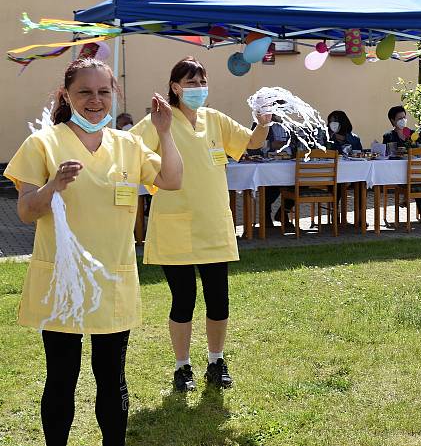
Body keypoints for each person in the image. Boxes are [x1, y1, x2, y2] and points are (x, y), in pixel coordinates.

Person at [3, 58, 182, 445]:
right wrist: (53, 187)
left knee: (111, 377)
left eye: (103, 91)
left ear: (114, 95)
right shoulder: (43, 143)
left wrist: (165, 133)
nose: (95, 100)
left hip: (112, 279)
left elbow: (172, 179)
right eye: (84, 92)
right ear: (67, 95)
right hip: (61, 281)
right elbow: (24, 210)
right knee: (62, 378)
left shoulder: (128, 145)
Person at [130, 56, 268, 392]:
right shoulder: (159, 120)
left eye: (202, 82)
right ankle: (182, 366)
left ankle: (216, 360)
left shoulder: (215, 120)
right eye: (191, 83)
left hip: (212, 223)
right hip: (174, 224)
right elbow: (127, 148)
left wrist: (263, 123)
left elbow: (251, 142)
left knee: (219, 298)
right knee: (184, 299)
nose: (198, 89)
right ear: (175, 88)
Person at [382, 105, 421, 224]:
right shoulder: (388, 136)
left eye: (404, 117)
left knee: (415, 177)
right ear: (393, 121)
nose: (403, 120)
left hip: (413, 171)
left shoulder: (413, 134)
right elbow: (386, 153)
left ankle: (415, 205)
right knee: (414, 179)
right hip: (396, 171)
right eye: (399, 118)